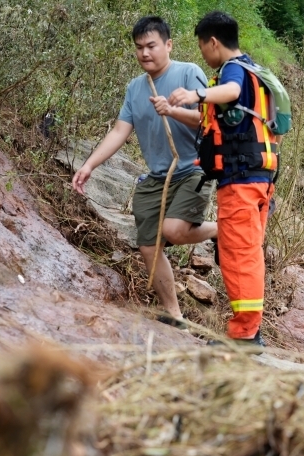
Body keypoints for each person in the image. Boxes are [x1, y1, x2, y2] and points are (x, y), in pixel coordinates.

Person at [71, 16, 216, 327]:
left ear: (168, 45)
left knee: (174, 231)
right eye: (139, 48)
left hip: (193, 168)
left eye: (151, 46)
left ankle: (222, 230)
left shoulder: (189, 73)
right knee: (148, 246)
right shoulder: (135, 88)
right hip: (157, 177)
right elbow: (120, 132)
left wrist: (173, 110)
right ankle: (174, 314)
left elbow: (207, 119)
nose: (145, 53)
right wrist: (90, 165)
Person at [168, 11, 277, 346]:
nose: (203, 54)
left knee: (238, 252)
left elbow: (228, 91)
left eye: (203, 47)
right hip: (259, 176)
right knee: (248, 251)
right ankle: (249, 332)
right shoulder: (255, 71)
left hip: (243, 178)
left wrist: (194, 94)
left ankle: (244, 335)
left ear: (213, 42)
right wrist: (173, 110)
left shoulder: (233, 71)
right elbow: (211, 122)